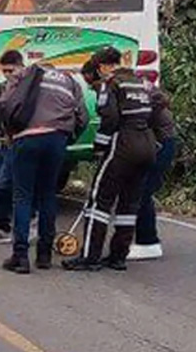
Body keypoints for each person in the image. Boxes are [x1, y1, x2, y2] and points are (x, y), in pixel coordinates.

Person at [63, 47, 157, 272]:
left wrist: (99, 147)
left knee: (99, 201)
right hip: (147, 145)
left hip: (123, 145)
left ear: (103, 67)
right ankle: (118, 256)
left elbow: (110, 118)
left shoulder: (111, 84)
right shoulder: (139, 82)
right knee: (129, 203)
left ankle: (90, 257)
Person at [0, 61, 89, 274]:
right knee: (48, 195)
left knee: (23, 196)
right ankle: (44, 255)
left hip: (26, 138)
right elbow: (83, 117)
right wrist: (68, 138)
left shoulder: (26, 74)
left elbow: (4, 103)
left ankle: (20, 257)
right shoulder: (69, 81)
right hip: (57, 138)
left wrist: (9, 132)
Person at [128, 79, 177, 261]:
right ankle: (144, 240)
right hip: (160, 143)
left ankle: (148, 242)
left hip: (159, 144)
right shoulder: (143, 88)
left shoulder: (137, 96)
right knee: (139, 192)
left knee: (142, 192)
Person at [0, 51, 26, 244]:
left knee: (12, 186)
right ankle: (3, 227)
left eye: (11, 70)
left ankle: (24, 224)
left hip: (18, 142)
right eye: (4, 71)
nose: (8, 75)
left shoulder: (27, 88)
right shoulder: (2, 88)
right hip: (2, 142)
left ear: (20, 67)